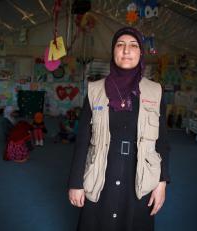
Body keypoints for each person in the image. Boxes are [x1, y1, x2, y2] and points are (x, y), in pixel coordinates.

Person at [68, 27, 170, 231]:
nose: (126, 50)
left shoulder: (155, 91)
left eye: (133, 46)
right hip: (100, 172)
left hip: (140, 176)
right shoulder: (95, 90)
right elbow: (82, 141)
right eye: (120, 45)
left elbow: (163, 143)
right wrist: (75, 183)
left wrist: (162, 182)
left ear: (141, 53)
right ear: (113, 52)